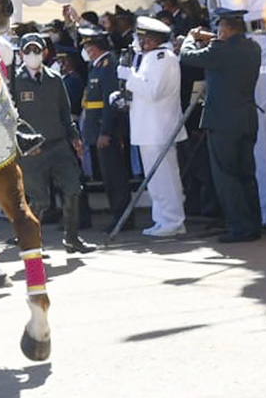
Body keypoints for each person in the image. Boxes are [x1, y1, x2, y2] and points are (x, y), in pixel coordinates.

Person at [180, 8, 263, 243]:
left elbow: (188, 56)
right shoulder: (252, 48)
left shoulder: (220, 50)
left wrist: (190, 38)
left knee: (226, 177)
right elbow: (226, 47)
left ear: (224, 29)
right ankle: (253, 224)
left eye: (219, 28)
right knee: (247, 175)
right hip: (247, 120)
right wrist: (212, 38)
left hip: (223, 122)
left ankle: (238, 227)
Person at [14, 34, 96, 253]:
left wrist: (74, 137)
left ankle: (72, 238)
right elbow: (8, 119)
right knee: (40, 201)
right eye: (28, 50)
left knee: (72, 189)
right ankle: (31, 241)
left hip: (58, 144)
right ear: (21, 53)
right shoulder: (14, 80)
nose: (33, 55)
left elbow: (64, 113)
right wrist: (23, 143)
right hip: (31, 150)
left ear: (45, 53)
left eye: (37, 50)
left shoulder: (54, 78)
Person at [116, 17, 187, 237]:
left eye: (142, 37)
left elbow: (154, 92)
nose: (139, 41)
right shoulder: (151, 58)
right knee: (155, 181)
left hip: (158, 128)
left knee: (165, 179)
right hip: (147, 128)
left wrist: (130, 77)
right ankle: (162, 220)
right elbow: (144, 92)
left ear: (152, 39)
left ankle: (173, 222)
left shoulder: (163, 58)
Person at [77, 28, 133, 231]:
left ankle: (123, 217)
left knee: (115, 176)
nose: (86, 50)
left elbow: (111, 102)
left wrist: (106, 132)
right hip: (96, 129)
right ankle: (117, 214)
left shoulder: (109, 66)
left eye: (87, 47)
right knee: (108, 176)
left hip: (106, 130)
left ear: (94, 48)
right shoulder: (97, 66)